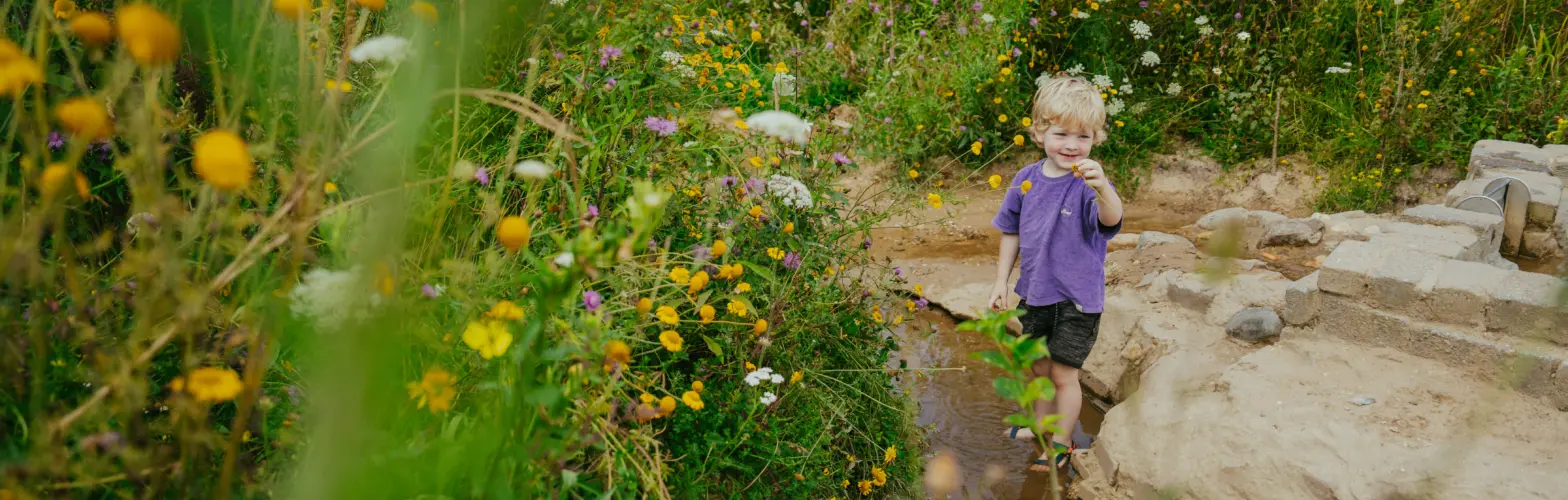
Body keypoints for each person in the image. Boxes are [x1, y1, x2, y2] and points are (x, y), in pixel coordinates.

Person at [988, 74, 1124, 472]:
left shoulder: (1088, 184)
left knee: (1065, 373)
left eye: (1083, 137)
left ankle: (1062, 443)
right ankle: (1039, 422)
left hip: (1078, 299)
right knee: (1038, 365)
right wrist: (1001, 281)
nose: (1071, 145)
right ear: (1039, 132)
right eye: (1062, 134)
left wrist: (1105, 190)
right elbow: (1010, 230)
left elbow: (1111, 218)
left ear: (1095, 139)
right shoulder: (1025, 179)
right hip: (1035, 292)